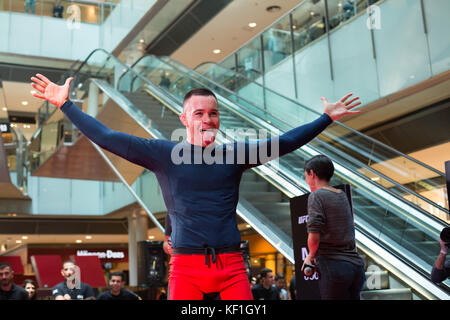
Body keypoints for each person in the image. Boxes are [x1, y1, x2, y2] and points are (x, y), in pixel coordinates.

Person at [30, 73, 361, 300]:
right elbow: (107, 137)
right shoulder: (164, 154)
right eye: (199, 113)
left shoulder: (235, 154)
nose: (208, 119)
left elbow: (284, 142)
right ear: (184, 119)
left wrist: (326, 118)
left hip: (232, 266)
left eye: (214, 113)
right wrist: (66, 105)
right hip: (186, 269)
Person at [302, 155, 366, 300]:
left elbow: (314, 232)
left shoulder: (316, 196)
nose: (306, 180)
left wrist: (311, 256)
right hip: (356, 267)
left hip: (333, 266)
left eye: (306, 175)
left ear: (312, 174)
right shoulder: (341, 195)